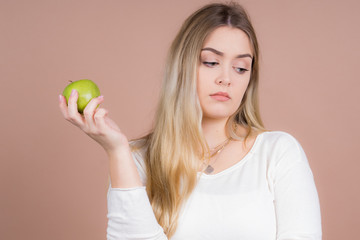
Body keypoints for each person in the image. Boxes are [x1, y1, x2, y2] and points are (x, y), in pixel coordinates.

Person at [59, 1, 322, 239]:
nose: (226, 78)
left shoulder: (278, 153)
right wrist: (117, 150)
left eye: (241, 68)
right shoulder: (137, 160)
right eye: (210, 62)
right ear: (182, 66)